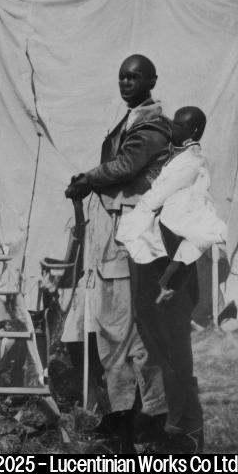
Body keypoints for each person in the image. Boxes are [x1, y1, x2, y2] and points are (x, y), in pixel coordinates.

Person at [65, 54, 172, 453]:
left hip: (131, 237)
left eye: (134, 77)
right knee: (117, 330)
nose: (126, 82)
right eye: (122, 76)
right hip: (119, 233)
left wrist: (88, 179)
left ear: (151, 81)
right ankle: (128, 421)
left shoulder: (152, 125)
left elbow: (127, 165)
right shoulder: (132, 119)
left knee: (126, 332)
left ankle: (142, 425)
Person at [115, 106, 222, 452]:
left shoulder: (193, 168)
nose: (171, 127)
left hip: (174, 276)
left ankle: (188, 435)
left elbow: (198, 234)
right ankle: (172, 429)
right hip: (160, 270)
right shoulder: (178, 163)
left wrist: (171, 280)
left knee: (177, 359)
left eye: (178, 123)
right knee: (161, 352)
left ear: (191, 133)